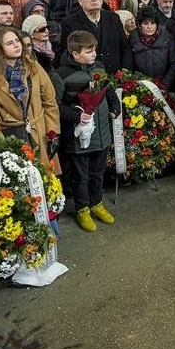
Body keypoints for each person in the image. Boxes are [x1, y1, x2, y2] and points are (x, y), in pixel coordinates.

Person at [56, 31, 121, 232]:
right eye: (88, 51)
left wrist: (114, 104)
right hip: (79, 138)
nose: (94, 54)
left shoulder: (99, 67)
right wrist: (76, 117)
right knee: (80, 176)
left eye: (94, 50)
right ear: (75, 54)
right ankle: (82, 209)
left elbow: (108, 89)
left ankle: (97, 204)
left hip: (101, 133)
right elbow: (56, 106)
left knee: (97, 173)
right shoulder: (62, 75)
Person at [0, 26, 61, 168]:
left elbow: (50, 102)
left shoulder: (33, 66)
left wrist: (53, 132)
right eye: (9, 43)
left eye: (17, 41)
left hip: (40, 133)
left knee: (46, 182)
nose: (16, 45)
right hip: (9, 136)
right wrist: (1, 146)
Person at [61, 0, 132, 73]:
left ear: (101, 0)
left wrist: (126, 73)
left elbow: (125, 48)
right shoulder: (69, 22)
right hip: (87, 78)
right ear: (80, 1)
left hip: (116, 75)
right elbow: (69, 53)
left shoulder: (114, 18)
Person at [130, 8, 175, 89]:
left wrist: (164, 85)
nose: (149, 27)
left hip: (165, 85)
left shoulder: (167, 37)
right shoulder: (132, 39)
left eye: (152, 23)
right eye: (145, 23)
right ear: (139, 25)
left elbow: (174, 63)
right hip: (141, 86)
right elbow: (130, 66)